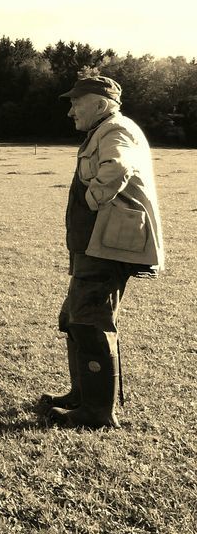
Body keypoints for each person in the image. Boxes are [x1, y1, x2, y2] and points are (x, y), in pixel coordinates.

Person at [41, 74, 164, 429]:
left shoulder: (116, 130)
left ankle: (97, 412)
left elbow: (119, 167)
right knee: (76, 318)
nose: (70, 111)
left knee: (90, 320)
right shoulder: (106, 129)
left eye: (75, 103)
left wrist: (93, 198)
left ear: (99, 103)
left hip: (107, 243)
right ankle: (83, 395)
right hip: (96, 242)